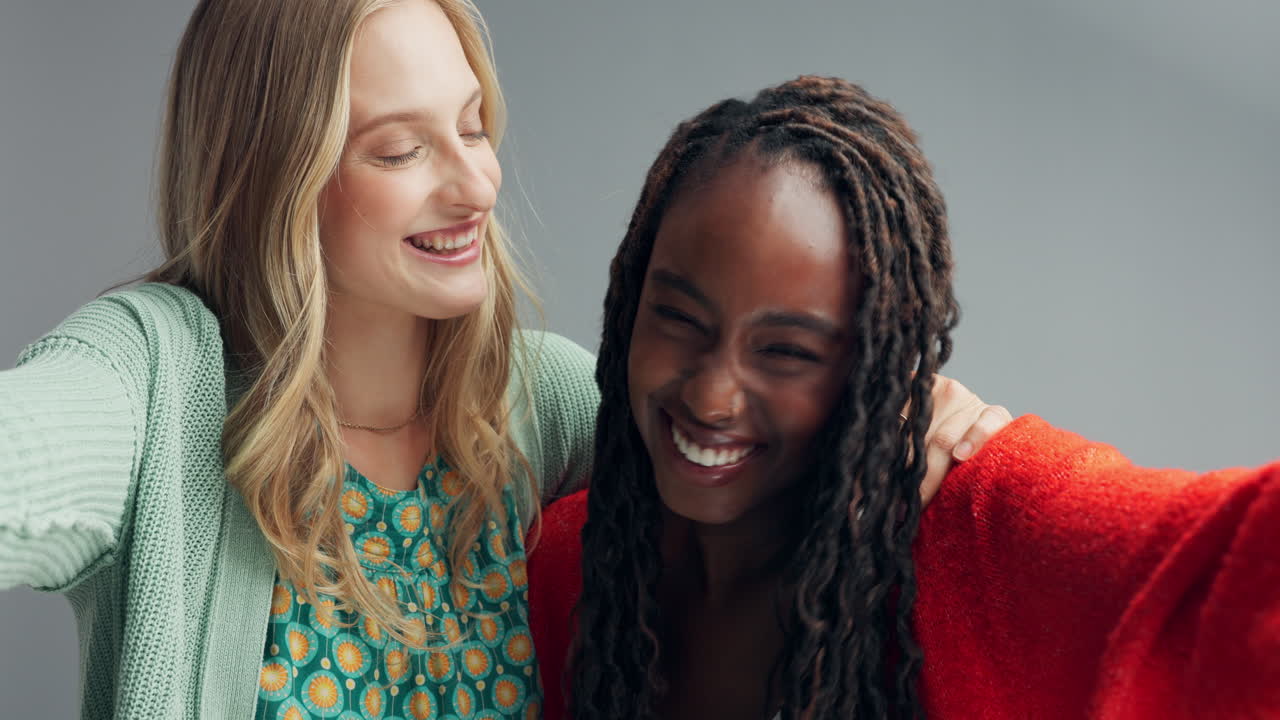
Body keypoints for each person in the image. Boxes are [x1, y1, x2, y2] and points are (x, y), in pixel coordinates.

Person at [0, 3, 1007, 719]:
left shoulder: (535, 403)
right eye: (400, 151)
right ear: (274, 176)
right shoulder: (149, 386)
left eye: (474, 126)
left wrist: (921, 423)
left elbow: (751, 427)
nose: (473, 182)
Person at [528, 76, 1280, 720]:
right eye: (680, 318)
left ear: (875, 366)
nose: (714, 394)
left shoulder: (981, 522)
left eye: (786, 351)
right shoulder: (567, 564)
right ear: (629, 303)